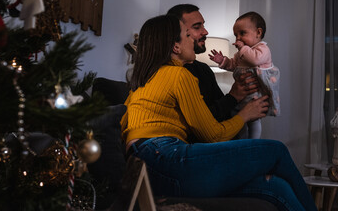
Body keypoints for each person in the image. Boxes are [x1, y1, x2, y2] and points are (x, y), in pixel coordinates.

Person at [120, 14, 317, 211]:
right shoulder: (179, 75)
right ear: (176, 46)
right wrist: (245, 115)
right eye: (188, 35)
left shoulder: (140, 83)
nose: (194, 38)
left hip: (144, 169)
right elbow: (213, 134)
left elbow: (125, 130)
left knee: (275, 187)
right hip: (165, 158)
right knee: (277, 150)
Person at [167, 4, 258, 123]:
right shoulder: (170, 74)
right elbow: (199, 123)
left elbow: (223, 116)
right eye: (197, 27)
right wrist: (234, 97)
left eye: (203, 25)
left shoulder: (203, 69)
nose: (205, 32)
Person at [209, 11, 280, 139]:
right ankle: (241, 142)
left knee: (253, 121)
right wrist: (223, 61)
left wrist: (243, 49)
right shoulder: (241, 53)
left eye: (242, 33)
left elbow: (255, 60)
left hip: (256, 93)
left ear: (258, 33)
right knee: (239, 118)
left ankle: (254, 141)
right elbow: (234, 65)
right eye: (236, 35)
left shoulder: (262, 49)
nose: (238, 39)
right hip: (243, 95)